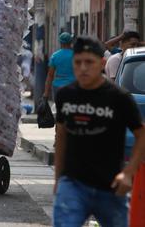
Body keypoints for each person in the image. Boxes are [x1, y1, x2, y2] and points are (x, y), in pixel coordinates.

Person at [53, 36, 145, 227]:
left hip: (110, 187)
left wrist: (128, 173)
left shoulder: (120, 98)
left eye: (89, 62)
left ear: (102, 63)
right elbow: (61, 136)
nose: (83, 68)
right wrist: (58, 178)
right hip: (73, 184)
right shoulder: (65, 96)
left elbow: (141, 134)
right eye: (78, 62)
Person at [43, 32, 76, 100]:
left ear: (60, 43)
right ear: (71, 42)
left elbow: (50, 75)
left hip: (58, 87)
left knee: (59, 108)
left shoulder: (55, 56)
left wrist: (46, 94)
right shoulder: (76, 56)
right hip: (73, 87)